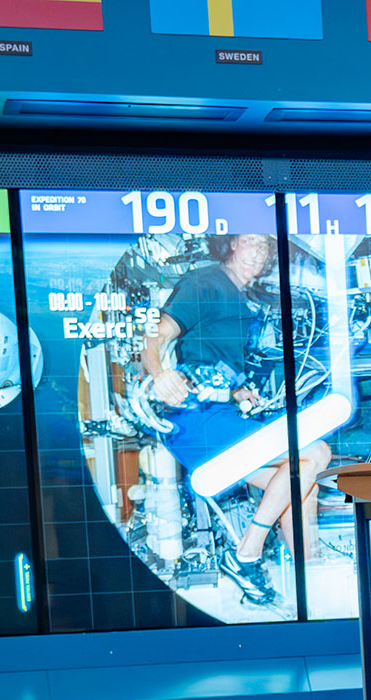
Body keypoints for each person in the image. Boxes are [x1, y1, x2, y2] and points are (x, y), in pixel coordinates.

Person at [141, 233, 329, 607]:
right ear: (230, 245)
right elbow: (154, 334)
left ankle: (314, 584)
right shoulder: (205, 282)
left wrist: (236, 392)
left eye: (265, 246)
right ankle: (246, 553)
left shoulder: (242, 297)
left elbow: (207, 363)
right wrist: (159, 373)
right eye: (250, 242)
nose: (258, 252)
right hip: (195, 421)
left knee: (302, 487)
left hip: (219, 412)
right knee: (316, 453)